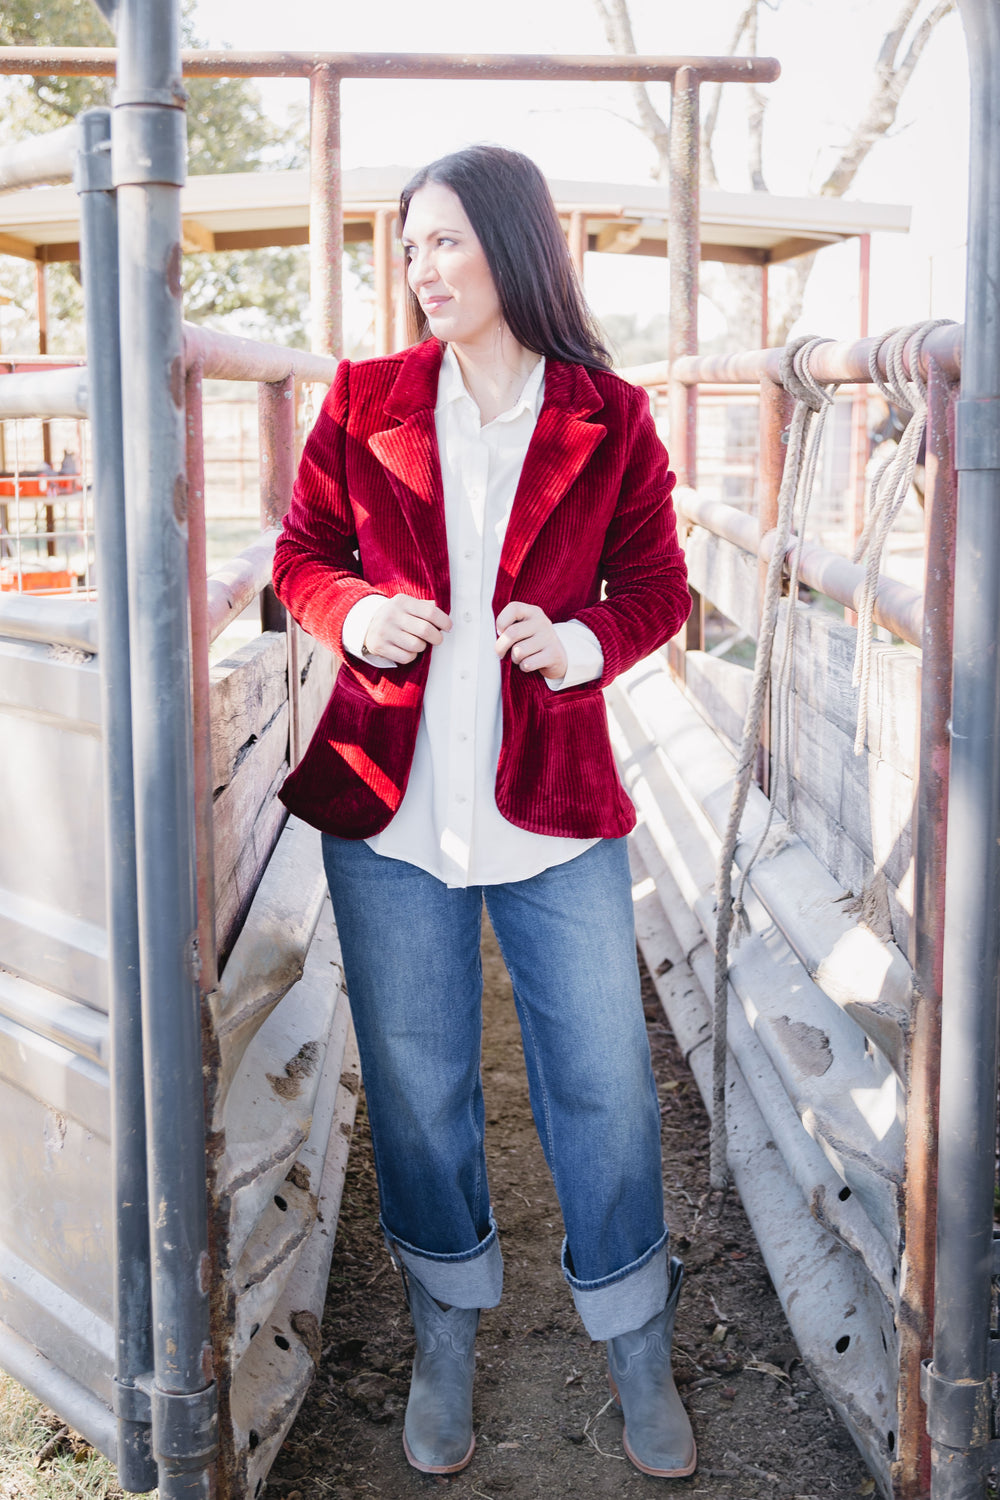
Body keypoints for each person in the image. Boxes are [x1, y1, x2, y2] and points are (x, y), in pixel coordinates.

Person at [272, 144, 694, 1480]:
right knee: (420, 1088)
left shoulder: (609, 417)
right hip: (389, 815)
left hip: (554, 813)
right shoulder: (363, 399)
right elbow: (299, 562)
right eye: (407, 249)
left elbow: (660, 587)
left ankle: (638, 1346)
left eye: (444, 241)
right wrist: (358, 613)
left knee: (608, 1092)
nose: (421, 270)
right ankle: (444, 1327)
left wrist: (584, 643)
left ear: (514, 247)